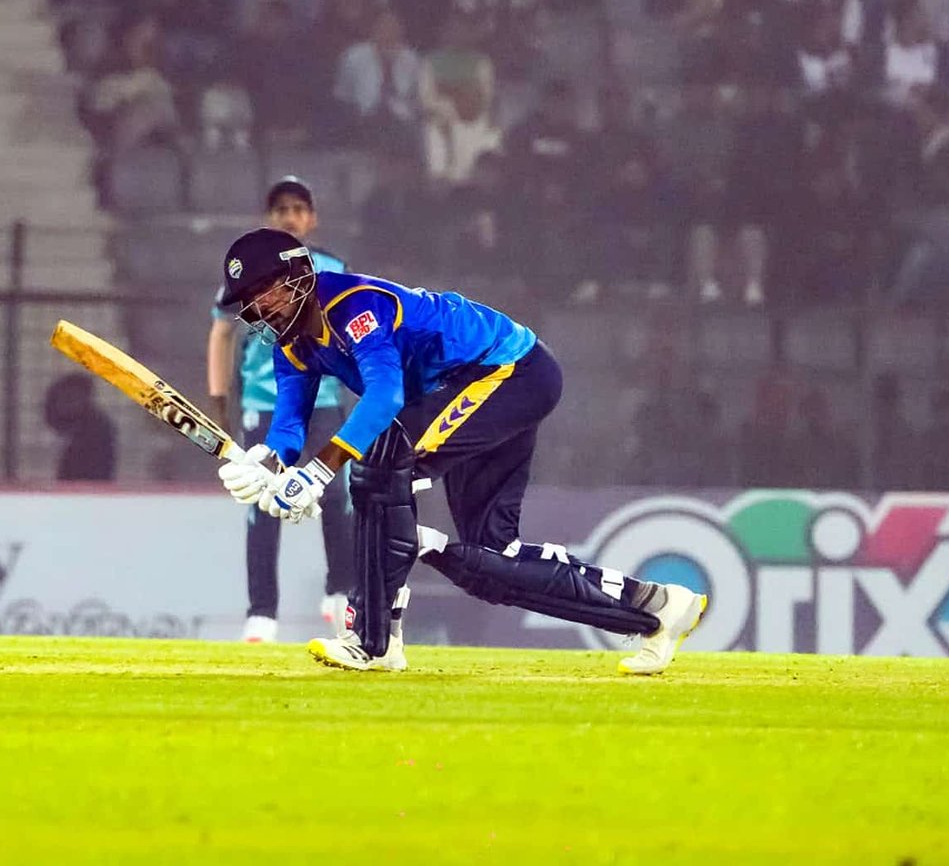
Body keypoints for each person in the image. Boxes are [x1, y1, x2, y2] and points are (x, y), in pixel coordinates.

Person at [212, 228, 708, 674]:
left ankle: (373, 637)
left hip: (507, 372)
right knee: (494, 562)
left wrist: (319, 472)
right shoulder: (292, 345)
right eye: (249, 301)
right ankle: (657, 608)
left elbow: (385, 395)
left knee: (380, 467)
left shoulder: (354, 306)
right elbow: (289, 424)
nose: (259, 308)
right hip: (474, 384)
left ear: (298, 274)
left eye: (264, 291)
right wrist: (268, 461)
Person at [206, 177, 355, 644]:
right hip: (264, 403)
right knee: (261, 502)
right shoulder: (247, 272)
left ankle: (342, 591)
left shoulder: (333, 268)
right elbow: (222, 333)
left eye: (298, 209)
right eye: (281, 209)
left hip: (322, 399)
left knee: (337, 495)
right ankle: (262, 614)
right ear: (268, 218)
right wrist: (219, 399)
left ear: (312, 219)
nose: (289, 217)